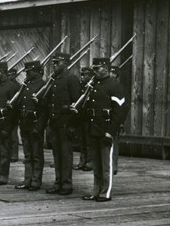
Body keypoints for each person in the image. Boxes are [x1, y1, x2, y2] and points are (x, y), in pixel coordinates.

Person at [81, 58, 128, 202]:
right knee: (96, 163)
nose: (94, 72)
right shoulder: (94, 85)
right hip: (94, 128)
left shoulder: (115, 86)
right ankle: (96, 190)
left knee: (106, 164)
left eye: (97, 69)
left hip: (106, 129)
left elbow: (120, 111)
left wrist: (111, 131)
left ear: (106, 68)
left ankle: (105, 192)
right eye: (93, 69)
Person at [45, 53, 81, 196]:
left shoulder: (71, 79)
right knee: (57, 155)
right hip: (55, 123)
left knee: (65, 155)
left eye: (57, 63)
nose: (54, 65)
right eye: (53, 63)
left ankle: (66, 184)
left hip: (65, 123)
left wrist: (72, 125)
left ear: (65, 63)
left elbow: (77, 104)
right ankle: (58, 182)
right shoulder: (54, 80)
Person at [14, 61, 47, 191]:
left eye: (29, 71)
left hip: (35, 123)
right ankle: (27, 180)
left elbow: (44, 110)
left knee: (36, 155)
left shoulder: (43, 85)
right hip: (25, 122)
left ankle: (36, 181)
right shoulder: (26, 84)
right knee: (28, 154)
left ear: (36, 71)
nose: (27, 73)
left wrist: (39, 127)